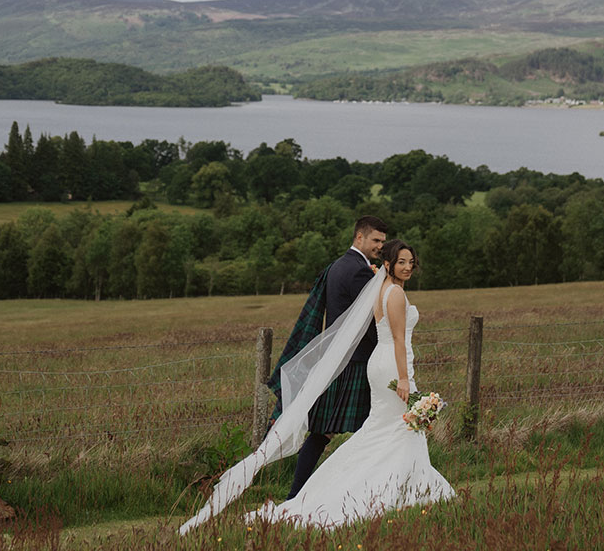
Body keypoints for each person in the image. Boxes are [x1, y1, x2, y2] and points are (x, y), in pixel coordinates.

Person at [177, 234, 453, 534]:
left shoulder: (381, 288)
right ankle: (411, 487)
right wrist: (403, 378)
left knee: (383, 429)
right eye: (401, 262)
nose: (408, 267)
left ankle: (405, 484)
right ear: (388, 263)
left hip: (380, 363)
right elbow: (399, 338)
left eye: (411, 262)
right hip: (392, 365)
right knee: (402, 426)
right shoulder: (396, 295)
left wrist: (381, 276)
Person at [280, 214, 387, 498]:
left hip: (338, 360)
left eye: (383, 241)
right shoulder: (359, 271)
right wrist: (387, 350)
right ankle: (355, 491)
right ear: (359, 237)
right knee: (374, 428)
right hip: (357, 363)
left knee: (322, 431)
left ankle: (297, 494)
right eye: (376, 240)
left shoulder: (338, 266)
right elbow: (369, 322)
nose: (380, 246)